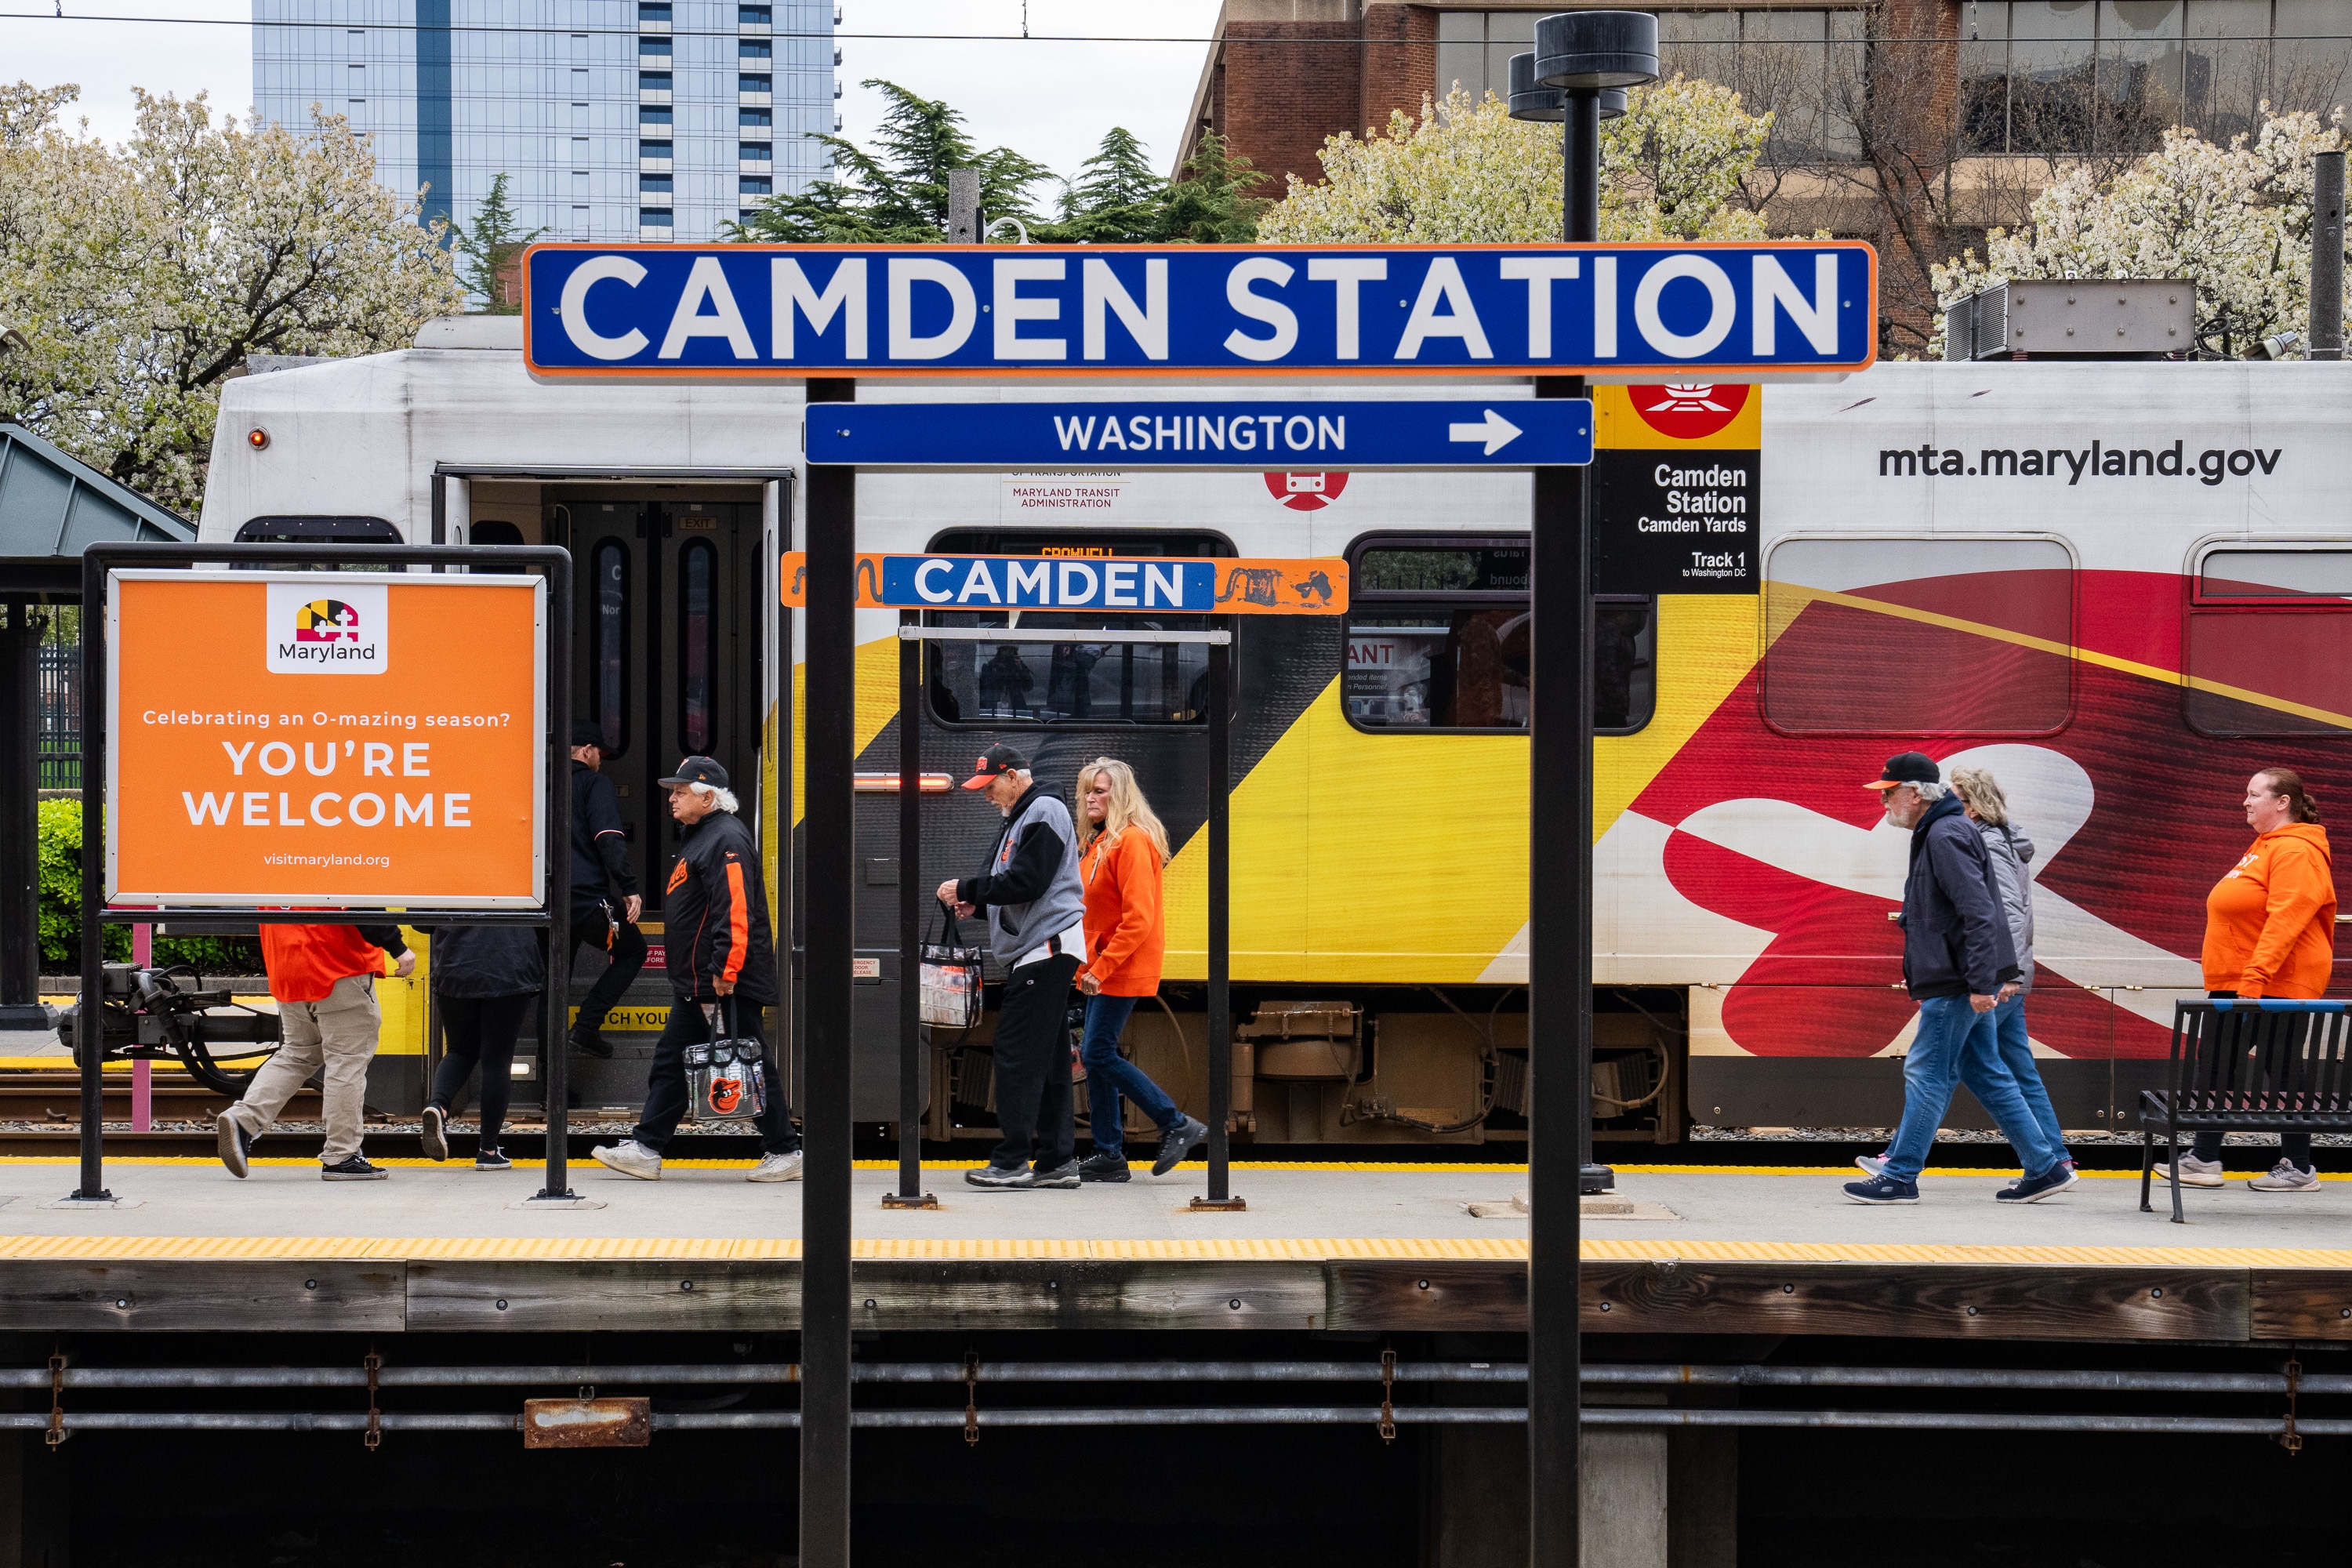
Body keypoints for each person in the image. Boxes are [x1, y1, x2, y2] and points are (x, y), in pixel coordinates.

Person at [1842, 752, 2077, 1205]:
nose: (1885, 802)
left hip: (1955, 979)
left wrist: (1980, 982)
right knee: (1986, 1071)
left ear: (1914, 793)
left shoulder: (1945, 834)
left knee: (1927, 1070)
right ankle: (2046, 1167)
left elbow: (1980, 911)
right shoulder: (1946, 829)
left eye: (1889, 793)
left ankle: (1901, 1174)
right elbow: (1982, 905)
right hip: (1960, 973)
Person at [592, 757, 802, 1182]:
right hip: (701, 983)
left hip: (721, 983)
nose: (672, 798)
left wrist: (726, 971)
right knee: (674, 1061)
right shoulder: (705, 837)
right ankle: (648, 1147)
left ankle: (785, 1149)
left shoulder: (725, 840)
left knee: (748, 1062)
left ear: (707, 798)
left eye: (680, 791)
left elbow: (737, 909)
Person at [2167, 768, 2337, 1193]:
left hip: (2273, 981)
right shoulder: (2265, 847)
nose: (2245, 801)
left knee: (2278, 1070)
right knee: (2218, 1065)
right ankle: (2206, 1158)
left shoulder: (2296, 850)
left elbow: (2288, 918)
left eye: (2254, 794)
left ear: (2282, 802)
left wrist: (2254, 978)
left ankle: (2296, 1167)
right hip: (2245, 979)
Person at [936, 742, 1088, 1190]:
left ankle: (1012, 1160)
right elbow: (1027, 890)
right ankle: (1058, 1161)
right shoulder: (1026, 814)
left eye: (991, 786)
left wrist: (966, 886)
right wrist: (978, 906)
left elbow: (1028, 880)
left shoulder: (1042, 810)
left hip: (1045, 950)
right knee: (1051, 1062)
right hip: (1045, 949)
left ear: (1014, 777)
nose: (987, 796)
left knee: (1016, 1055)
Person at [1069, 757, 1207, 1182]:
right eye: (1088, 790)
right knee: (1097, 1056)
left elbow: (1139, 918)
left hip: (1118, 967)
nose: (1090, 797)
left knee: (1096, 1053)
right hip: (1101, 966)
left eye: (1100, 790)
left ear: (1121, 795)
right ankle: (1109, 1154)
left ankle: (1175, 1123)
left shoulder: (1131, 841)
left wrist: (1103, 967)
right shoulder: (1100, 842)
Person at [216, 920, 414, 1181]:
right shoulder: (331, 876)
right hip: (336, 966)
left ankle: (244, 1119)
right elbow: (360, 904)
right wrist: (398, 947)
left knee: (298, 1052)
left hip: (288, 968)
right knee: (346, 1061)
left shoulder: (270, 876)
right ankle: (342, 1155)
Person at [417, 922, 543, 1171]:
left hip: (455, 966)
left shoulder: (441, 879)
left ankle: (438, 1106)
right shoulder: (522, 879)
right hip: (509, 963)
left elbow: (421, 922)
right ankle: (488, 1150)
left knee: (459, 1050)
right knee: (497, 1060)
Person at [567, 721, 647, 1060]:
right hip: (586, 899)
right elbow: (608, 838)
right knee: (633, 950)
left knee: (552, 987)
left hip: (545, 903)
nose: (601, 759)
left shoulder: (540, 783)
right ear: (587, 750)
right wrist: (629, 887)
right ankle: (586, 1028)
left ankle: (550, 1089)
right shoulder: (593, 783)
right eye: (599, 753)